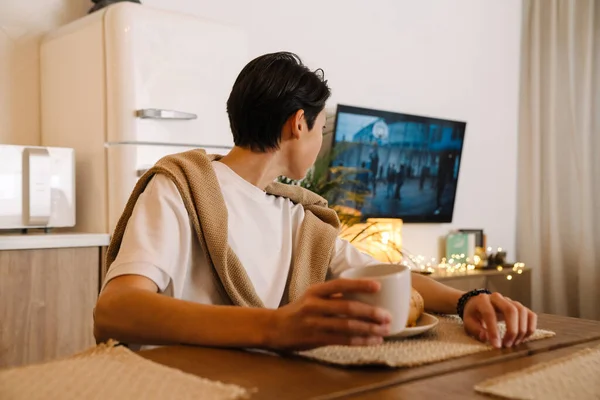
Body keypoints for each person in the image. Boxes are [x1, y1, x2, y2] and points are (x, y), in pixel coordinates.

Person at [94, 52, 537, 351]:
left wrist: (469, 299)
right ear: (298, 124)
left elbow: (383, 276)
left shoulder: (296, 215)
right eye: (321, 131)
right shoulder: (181, 186)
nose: (321, 145)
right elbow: (115, 309)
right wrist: (276, 327)